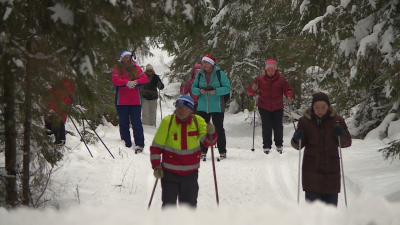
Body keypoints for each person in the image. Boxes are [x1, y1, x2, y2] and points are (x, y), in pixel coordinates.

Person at [150, 95, 217, 208]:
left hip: (190, 174)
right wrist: (156, 166)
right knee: (168, 206)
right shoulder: (168, 122)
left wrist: (211, 133)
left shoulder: (198, 121)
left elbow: (208, 142)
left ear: (190, 109)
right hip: (169, 173)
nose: (180, 110)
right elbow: (156, 147)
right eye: (178, 107)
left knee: (189, 207)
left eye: (183, 108)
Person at [291, 92, 352, 206]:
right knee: (313, 213)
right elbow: (298, 146)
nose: (320, 110)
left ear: (328, 107)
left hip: (331, 172)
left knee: (330, 211)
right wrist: (297, 138)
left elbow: (346, 143)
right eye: (317, 107)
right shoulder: (305, 121)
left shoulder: (337, 120)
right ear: (312, 107)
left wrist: (341, 133)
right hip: (311, 172)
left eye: (323, 107)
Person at [247, 59, 293, 154]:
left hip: (278, 106)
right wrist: (253, 88)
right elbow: (250, 92)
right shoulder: (260, 79)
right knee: (266, 126)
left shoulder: (281, 79)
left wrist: (288, 96)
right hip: (264, 106)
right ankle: (266, 145)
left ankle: (279, 144)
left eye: (272, 70)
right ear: (266, 70)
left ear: (275, 70)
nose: (271, 72)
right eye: (269, 70)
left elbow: (288, 89)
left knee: (278, 126)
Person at [191, 54, 231, 160]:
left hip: (217, 106)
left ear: (212, 63)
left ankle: (222, 151)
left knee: (218, 128)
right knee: (203, 129)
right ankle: (203, 151)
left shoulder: (219, 74)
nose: (204, 65)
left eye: (206, 63)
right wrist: (199, 91)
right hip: (202, 106)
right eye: (203, 63)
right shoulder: (199, 75)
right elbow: (193, 88)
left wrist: (216, 91)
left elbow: (227, 88)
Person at [112, 51, 148, 152]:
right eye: (126, 57)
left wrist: (136, 82)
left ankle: (139, 144)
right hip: (121, 101)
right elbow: (115, 80)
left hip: (135, 101)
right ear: (122, 59)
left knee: (136, 123)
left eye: (129, 57)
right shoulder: (117, 69)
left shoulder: (136, 68)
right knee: (123, 123)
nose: (128, 59)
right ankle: (125, 142)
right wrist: (126, 83)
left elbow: (144, 79)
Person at [45, 78, 75, 145]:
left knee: (55, 120)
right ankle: (60, 139)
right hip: (61, 100)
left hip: (57, 100)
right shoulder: (69, 82)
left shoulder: (62, 81)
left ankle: (58, 140)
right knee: (59, 119)